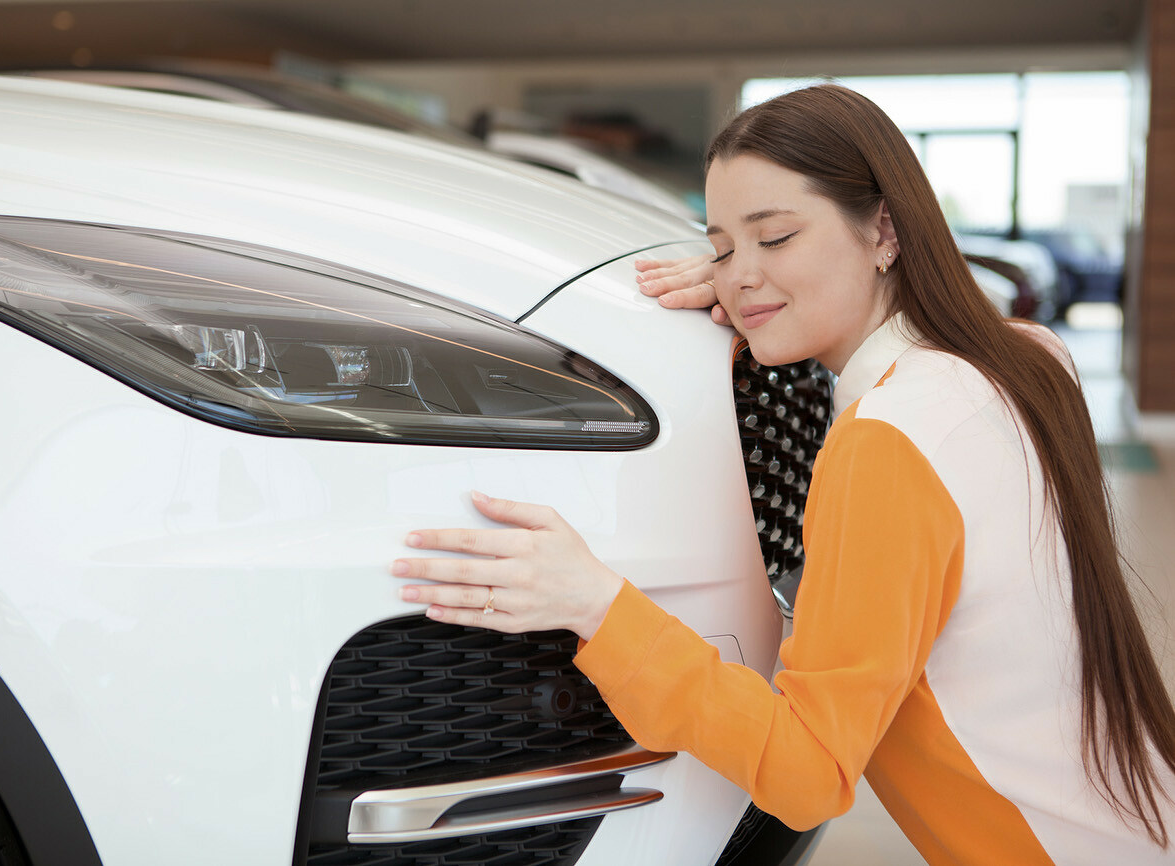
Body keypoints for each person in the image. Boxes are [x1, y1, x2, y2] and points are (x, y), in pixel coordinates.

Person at [388, 84, 1175, 864]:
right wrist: (763, 280)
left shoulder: (888, 445)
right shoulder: (1033, 363)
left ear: (884, 230)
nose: (736, 275)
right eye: (721, 246)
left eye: (777, 237)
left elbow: (808, 771)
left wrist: (595, 604)